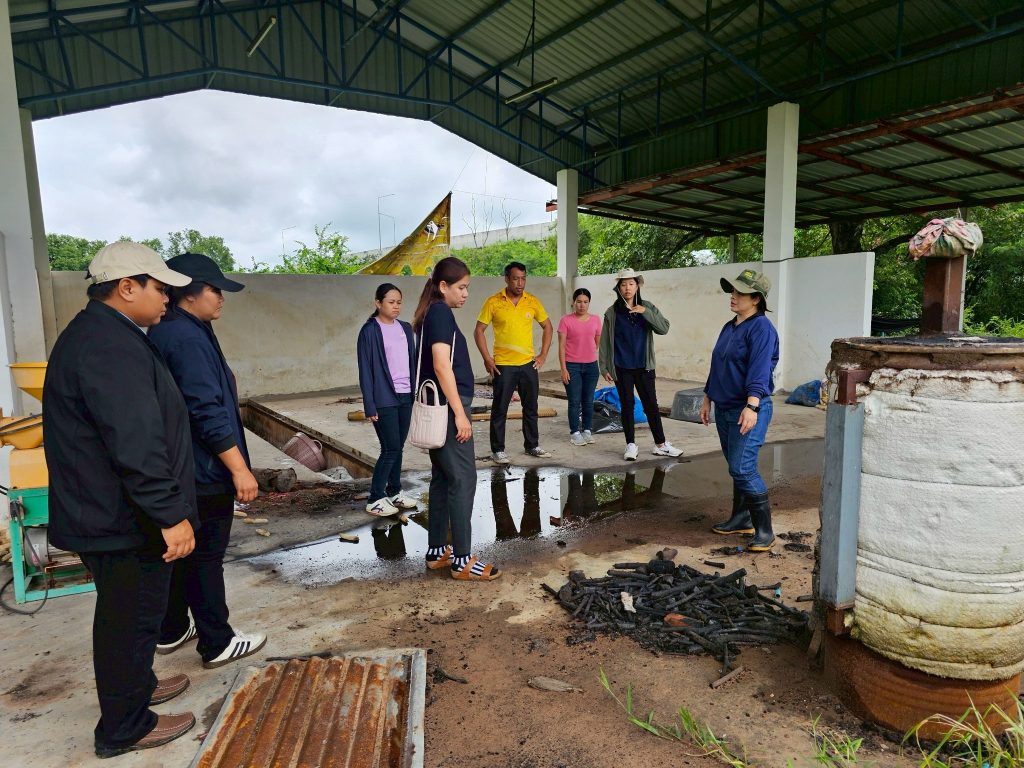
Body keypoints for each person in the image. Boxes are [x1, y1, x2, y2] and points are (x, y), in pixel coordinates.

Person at [43, 242, 198, 759]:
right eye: (161, 288)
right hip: (121, 517)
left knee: (132, 615)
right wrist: (170, 513)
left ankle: (138, 687)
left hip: (112, 511)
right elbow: (135, 441)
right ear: (127, 287)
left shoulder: (107, 334)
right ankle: (125, 726)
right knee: (128, 620)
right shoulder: (108, 345)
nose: (168, 299)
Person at [148, 253, 268, 669]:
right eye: (215, 289)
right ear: (189, 291)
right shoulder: (186, 338)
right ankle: (217, 641)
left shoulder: (174, 329)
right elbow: (206, 411)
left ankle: (171, 629)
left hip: (183, 466)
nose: (221, 298)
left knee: (185, 553)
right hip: (203, 469)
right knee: (205, 556)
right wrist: (239, 469)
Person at [413, 257, 501, 581]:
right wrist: (461, 415)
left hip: (441, 407)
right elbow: (441, 365)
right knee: (463, 480)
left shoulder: (432, 312)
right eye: (461, 287)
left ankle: (438, 551)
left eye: (467, 288)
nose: (466, 294)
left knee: (443, 478)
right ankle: (462, 560)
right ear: (443, 286)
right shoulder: (439, 313)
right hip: (449, 410)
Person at [700, 269, 780, 552]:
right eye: (733, 291)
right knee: (736, 466)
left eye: (740, 293)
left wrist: (752, 405)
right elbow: (718, 364)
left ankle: (765, 531)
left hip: (748, 408)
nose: (733, 296)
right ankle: (741, 518)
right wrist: (708, 397)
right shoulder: (730, 326)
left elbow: (760, 370)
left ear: (756, 299)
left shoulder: (762, 329)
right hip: (724, 407)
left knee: (742, 467)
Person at [598, 268, 684, 462]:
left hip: (644, 366)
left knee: (651, 405)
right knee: (627, 405)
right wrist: (604, 367)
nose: (627, 288)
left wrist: (645, 312)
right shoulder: (612, 312)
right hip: (621, 367)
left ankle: (661, 445)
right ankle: (630, 445)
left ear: (637, 286)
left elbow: (664, 328)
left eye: (631, 284)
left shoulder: (648, 307)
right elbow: (604, 342)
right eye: (623, 284)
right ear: (618, 288)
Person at [474, 261, 553, 464]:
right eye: (516, 278)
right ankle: (498, 450)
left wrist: (543, 355)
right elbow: (479, 331)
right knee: (500, 408)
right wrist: (487, 358)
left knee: (531, 407)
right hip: (503, 365)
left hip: (528, 364)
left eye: (523, 278)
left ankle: (532, 445)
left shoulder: (532, 301)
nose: (520, 283)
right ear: (507, 279)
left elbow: (548, 326)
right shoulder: (493, 302)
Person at [356, 283, 419, 517]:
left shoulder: (405, 328)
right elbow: (365, 370)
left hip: (406, 395)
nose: (396, 306)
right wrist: (369, 404)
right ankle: (375, 498)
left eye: (399, 302)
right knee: (390, 448)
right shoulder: (369, 331)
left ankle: (394, 491)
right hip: (383, 398)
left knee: (398, 447)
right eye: (391, 302)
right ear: (378, 303)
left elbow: (412, 361)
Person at [558, 288, 602, 447]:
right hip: (572, 367)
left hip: (591, 367)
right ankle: (575, 432)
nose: (582, 305)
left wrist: (587, 354)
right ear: (573, 302)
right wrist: (563, 369)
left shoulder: (596, 320)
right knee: (574, 401)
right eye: (579, 302)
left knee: (588, 400)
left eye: (585, 302)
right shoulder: (565, 320)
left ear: (589, 303)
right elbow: (561, 347)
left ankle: (587, 430)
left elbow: (596, 342)